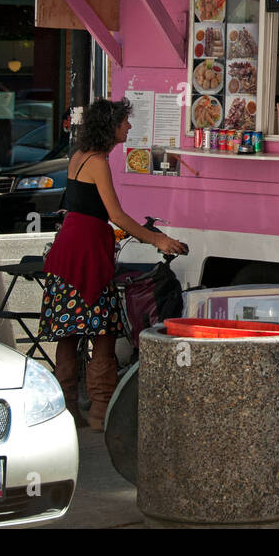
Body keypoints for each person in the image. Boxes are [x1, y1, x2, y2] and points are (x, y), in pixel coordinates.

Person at [36, 98, 185, 429]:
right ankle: (100, 413)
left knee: (68, 334)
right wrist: (157, 239)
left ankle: (67, 411)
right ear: (110, 127)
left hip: (67, 250)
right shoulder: (99, 163)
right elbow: (115, 214)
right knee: (102, 331)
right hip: (87, 250)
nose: (128, 127)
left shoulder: (78, 157)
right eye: (123, 122)